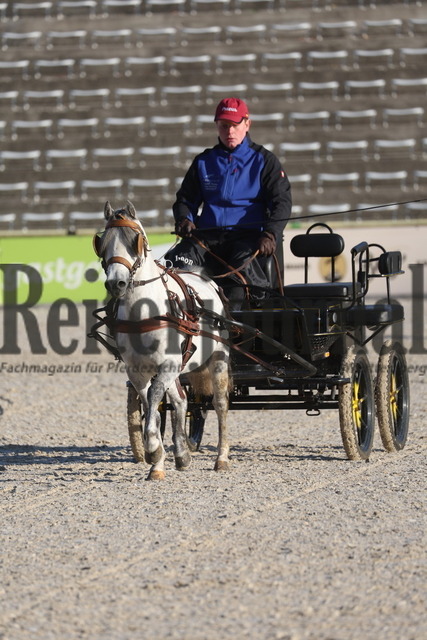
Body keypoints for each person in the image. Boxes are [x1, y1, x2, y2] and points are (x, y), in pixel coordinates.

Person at [165, 97, 292, 310]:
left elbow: (282, 202)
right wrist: (184, 219)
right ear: (217, 126)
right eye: (224, 126)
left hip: (247, 239)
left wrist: (271, 233)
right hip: (208, 239)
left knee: (236, 276)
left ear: (247, 124)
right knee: (176, 260)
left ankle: (234, 328)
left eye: (234, 125)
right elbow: (185, 200)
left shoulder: (265, 160)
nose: (229, 131)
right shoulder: (203, 161)